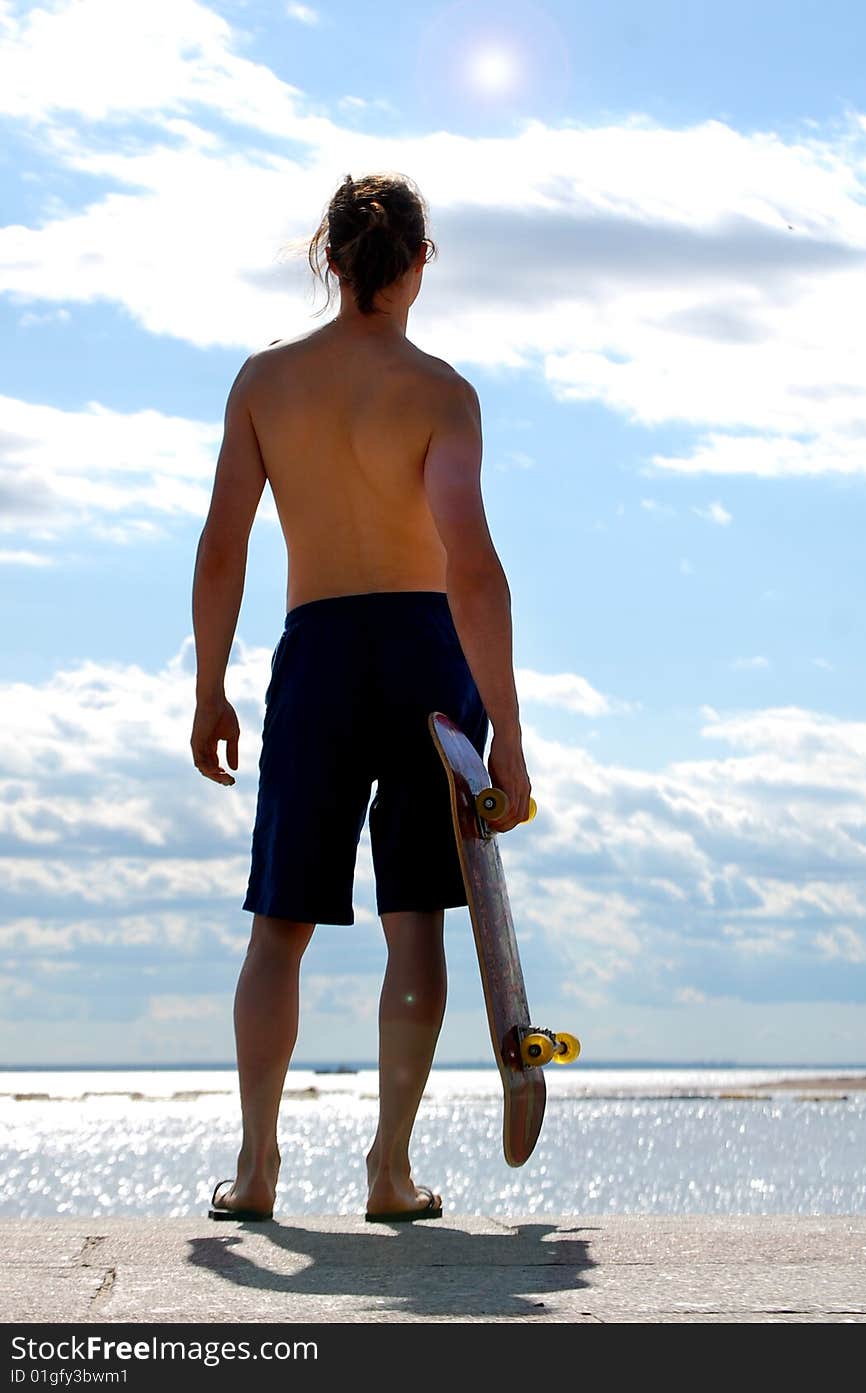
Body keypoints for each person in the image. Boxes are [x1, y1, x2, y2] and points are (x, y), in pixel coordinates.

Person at [190, 171, 531, 1223]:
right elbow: (471, 567)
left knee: (278, 924)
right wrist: (508, 735)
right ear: (420, 261)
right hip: (429, 655)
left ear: (327, 257)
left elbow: (223, 544)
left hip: (320, 650)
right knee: (417, 920)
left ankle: (255, 1170)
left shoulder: (264, 383)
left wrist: (208, 686)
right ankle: (389, 1169)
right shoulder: (441, 395)